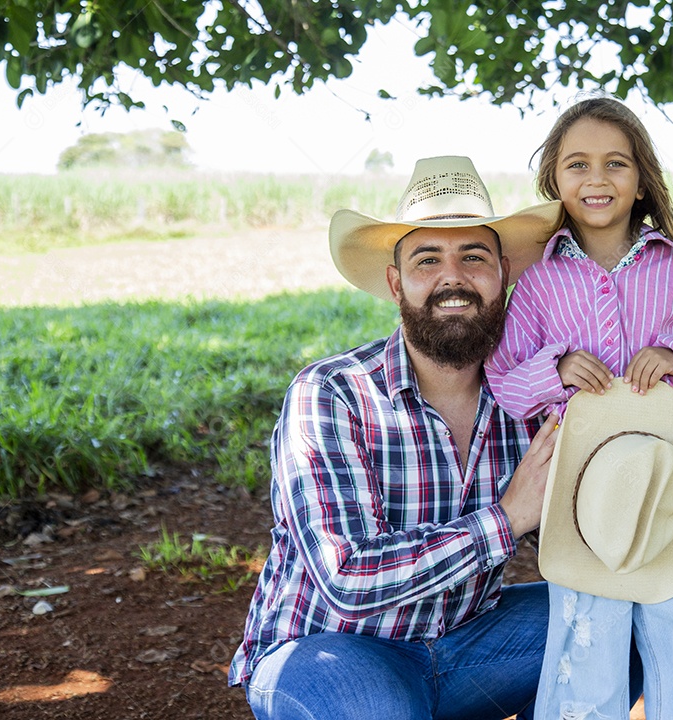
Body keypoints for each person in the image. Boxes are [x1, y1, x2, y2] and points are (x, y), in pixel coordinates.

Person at [227, 156, 566, 720]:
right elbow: (346, 580)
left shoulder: (527, 400)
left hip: (464, 646)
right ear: (395, 281)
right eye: (427, 259)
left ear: (504, 273)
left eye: (473, 257)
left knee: (611, 625)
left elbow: (575, 541)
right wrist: (505, 521)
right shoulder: (332, 393)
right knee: (378, 708)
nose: (452, 277)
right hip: (329, 649)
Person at [485, 97, 673, 718]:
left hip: (669, 487)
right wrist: (554, 370)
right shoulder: (538, 282)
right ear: (554, 178)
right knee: (587, 636)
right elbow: (503, 381)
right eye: (577, 164)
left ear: (641, 182)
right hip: (582, 494)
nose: (597, 179)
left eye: (616, 164)